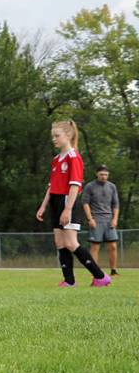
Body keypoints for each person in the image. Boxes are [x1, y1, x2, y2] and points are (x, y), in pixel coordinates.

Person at [35, 121, 111, 287]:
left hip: (67, 200)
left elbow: (75, 185)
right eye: (52, 136)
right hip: (55, 201)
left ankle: (100, 277)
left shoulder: (73, 157)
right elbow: (51, 185)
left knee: (70, 243)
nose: (53, 139)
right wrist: (43, 205)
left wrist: (68, 209)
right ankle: (69, 281)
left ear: (68, 135)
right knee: (60, 243)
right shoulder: (56, 159)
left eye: (57, 136)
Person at [82, 165, 120, 276]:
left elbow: (116, 204)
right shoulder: (90, 186)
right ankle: (94, 271)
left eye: (106, 175)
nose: (104, 177)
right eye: (101, 174)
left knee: (113, 246)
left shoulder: (112, 187)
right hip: (96, 219)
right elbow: (85, 203)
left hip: (109, 220)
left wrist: (115, 219)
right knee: (95, 247)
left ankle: (113, 270)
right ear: (97, 174)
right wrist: (90, 219)